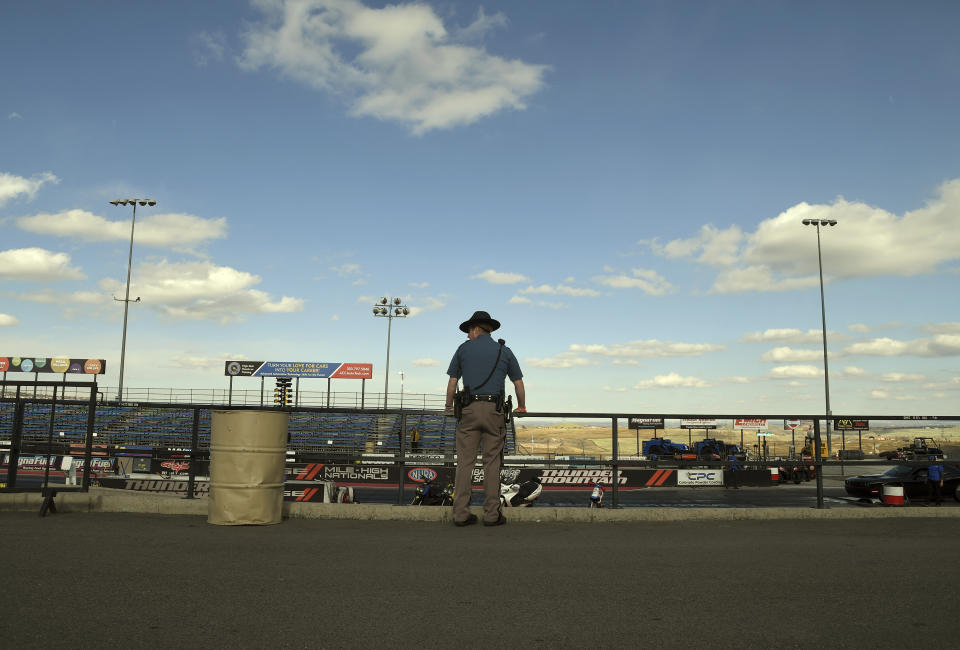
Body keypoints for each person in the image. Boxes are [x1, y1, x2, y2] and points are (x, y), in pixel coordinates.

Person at [445, 311, 525, 527]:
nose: (468, 336)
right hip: (494, 412)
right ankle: (491, 515)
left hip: (469, 412)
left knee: (465, 463)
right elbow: (518, 383)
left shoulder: (463, 349)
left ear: (475, 329)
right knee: (492, 464)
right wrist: (522, 406)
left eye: (469, 332)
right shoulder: (504, 350)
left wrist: (448, 406)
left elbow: (453, 382)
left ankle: (461, 514)